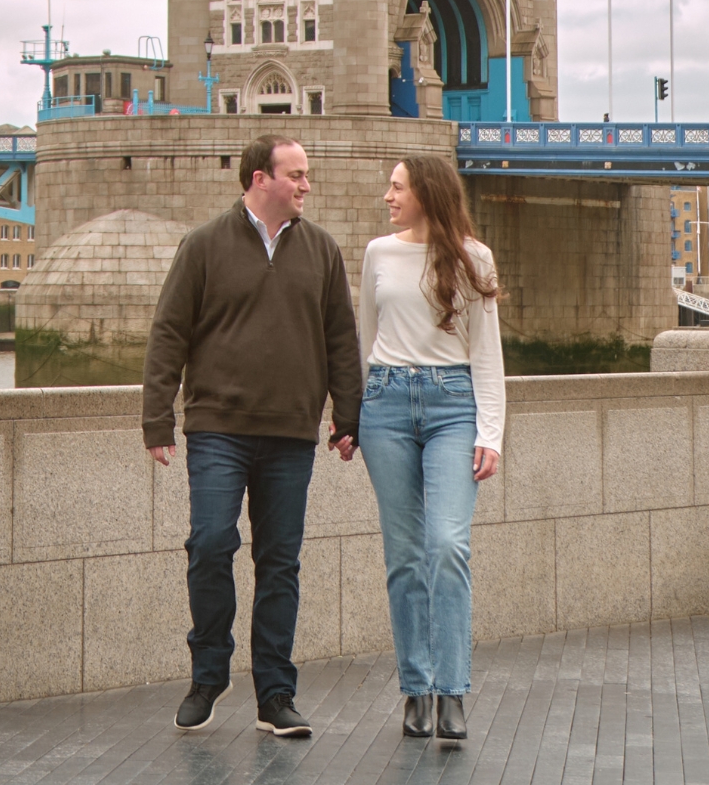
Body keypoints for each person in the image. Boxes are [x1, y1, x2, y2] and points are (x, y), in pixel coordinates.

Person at [143, 133, 362, 738]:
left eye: (307, 174)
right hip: (218, 429)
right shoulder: (205, 245)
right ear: (259, 179)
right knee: (211, 545)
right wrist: (157, 418)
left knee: (280, 563)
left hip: (292, 433)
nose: (306, 184)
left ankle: (275, 694)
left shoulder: (322, 249)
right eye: (296, 174)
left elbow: (342, 339)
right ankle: (208, 674)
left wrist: (350, 417)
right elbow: (169, 335)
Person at [358, 155, 505, 740]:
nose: (388, 196)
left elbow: (488, 353)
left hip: (453, 407)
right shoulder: (376, 254)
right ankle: (415, 690)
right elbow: (366, 337)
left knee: (446, 545)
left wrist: (489, 433)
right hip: (386, 406)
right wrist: (354, 412)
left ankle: (453, 690)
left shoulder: (474, 257)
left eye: (396, 187)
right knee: (403, 556)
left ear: (424, 193)